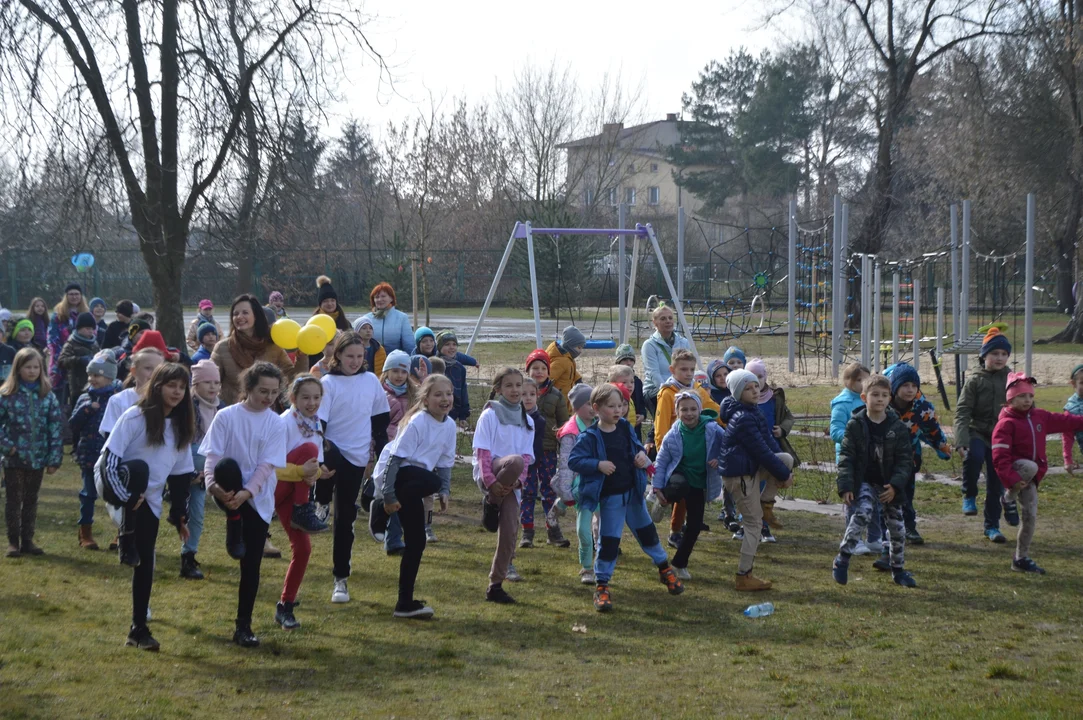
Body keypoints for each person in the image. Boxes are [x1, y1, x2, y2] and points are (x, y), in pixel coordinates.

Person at [95, 363, 194, 651]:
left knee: (147, 560)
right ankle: (126, 537)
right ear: (158, 386)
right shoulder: (134, 416)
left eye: (182, 387)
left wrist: (179, 515)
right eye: (171, 385)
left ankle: (138, 629)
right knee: (138, 469)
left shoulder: (181, 425)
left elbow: (180, 476)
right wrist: (125, 497)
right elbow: (109, 461)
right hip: (118, 483)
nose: (177, 391)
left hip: (147, 496)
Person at [569, 384, 685, 612]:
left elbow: (635, 447)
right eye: (611, 406)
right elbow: (574, 460)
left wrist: (641, 455)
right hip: (610, 499)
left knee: (648, 533)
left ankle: (664, 569)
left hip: (633, 496)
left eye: (620, 405)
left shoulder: (624, 426)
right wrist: (597, 465)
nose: (617, 410)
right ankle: (602, 586)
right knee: (609, 541)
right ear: (596, 408)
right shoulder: (589, 437)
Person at [201, 362, 288, 647]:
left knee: (251, 565)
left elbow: (266, 466)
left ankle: (243, 627)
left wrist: (247, 494)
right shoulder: (226, 417)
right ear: (248, 388)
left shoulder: (276, 422)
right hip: (226, 487)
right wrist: (213, 486)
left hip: (257, 497)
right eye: (263, 390)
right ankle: (233, 523)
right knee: (227, 465)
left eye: (274, 392)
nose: (269, 397)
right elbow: (212, 460)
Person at [369, 374, 457, 619]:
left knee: (417, 542)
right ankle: (378, 508)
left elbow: (445, 462)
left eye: (448, 393)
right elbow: (395, 461)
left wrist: (445, 492)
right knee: (431, 480)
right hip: (396, 477)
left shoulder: (449, 425)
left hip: (414, 486)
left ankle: (404, 603)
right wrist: (386, 496)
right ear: (426, 399)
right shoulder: (418, 421)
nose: (444, 399)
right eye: (438, 394)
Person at [317, 331, 391, 604]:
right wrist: (318, 458)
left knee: (345, 517)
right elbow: (320, 427)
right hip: (332, 453)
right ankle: (320, 499)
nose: (355, 361)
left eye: (360, 357)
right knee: (330, 463)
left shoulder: (371, 380)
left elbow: (380, 420)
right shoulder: (328, 383)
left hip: (358, 457)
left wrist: (381, 453)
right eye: (350, 356)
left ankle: (341, 579)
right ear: (338, 355)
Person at [992, 372, 1083, 575]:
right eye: (1021, 396)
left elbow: (1066, 422)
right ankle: (1008, 498)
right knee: (1030, 466)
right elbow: (999, 458)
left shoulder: (1040, 416)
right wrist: (1012, 482)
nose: (1027, 400)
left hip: (1031, 479)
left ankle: (1020, 558)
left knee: (1030, 517)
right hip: (1016, 474)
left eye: (1030, 396)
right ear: (1010, 399)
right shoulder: (1005, 424)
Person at [832, 373, 917, 589]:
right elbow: (847, 457)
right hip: (864, 482)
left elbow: (906, 460)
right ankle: (843, 558)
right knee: (863, 513)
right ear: (864, 397)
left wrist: (896, 485)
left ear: (890, 398)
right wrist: (846, 486)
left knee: (897, 528)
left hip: (889, 485)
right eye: (875, 395)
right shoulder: (855, 425)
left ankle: (898, 569)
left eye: (884, 395)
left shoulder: (897, 427)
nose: (880, 399)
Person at [717, 369, 794, 591]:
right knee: (753, 524)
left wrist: (784, 470)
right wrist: (783, 476)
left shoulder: (752, 411)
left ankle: (766, 503)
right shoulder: (743, 418)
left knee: (786, 459)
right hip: (739, 475)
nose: (754, 391)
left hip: (749, 468)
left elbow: (770, 444)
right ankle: (744, 575)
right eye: (748, 388)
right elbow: (762, 452)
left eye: (756, 387)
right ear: (738, 393)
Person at [272, 375, 336, 630]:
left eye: (317, 397)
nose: (312, 403)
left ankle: (285, 606)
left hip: (296, 491)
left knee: (303, 551)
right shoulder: (284, 423)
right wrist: (305, 472)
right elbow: (272, 466)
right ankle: (302, 510)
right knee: (309, 451)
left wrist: (317, 474)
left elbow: (313, 468)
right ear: (293, 398)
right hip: (275, 487)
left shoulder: (315, 424)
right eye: (305, 397)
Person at [473, 367, 535, 604]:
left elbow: (527, 457)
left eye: (518, 385)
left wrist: (518, 482)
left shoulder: (527, 421)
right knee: (515, 460)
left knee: (509, 532)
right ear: (498, 389)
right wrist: (491, 484)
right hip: (493, 473)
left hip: (511, 483)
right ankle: (491, 501)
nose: (515, 390)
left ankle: (495, 585)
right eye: (509, 386)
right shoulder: (490, 415)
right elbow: (482, 452)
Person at [653, 391, 724, 581]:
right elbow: (661, 461)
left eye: (693, 409)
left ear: (700, 410)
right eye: (684, 409)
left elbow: (728, 447)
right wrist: (657, 487)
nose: (689, 413)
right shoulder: (674, 433)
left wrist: (720, 459)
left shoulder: (713, 429)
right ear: (677, 412)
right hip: (679, 474)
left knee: (694, 527)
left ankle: (679, 563)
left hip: (699, 482)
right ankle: (662, 501)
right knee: (680, 486)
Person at [0, 348, 63, 557]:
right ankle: (13, 541)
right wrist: (8, 447)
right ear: (18, 369)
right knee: (13, 499)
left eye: (36, 367)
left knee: (30, 499)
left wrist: (54, 457)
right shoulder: (6, 395)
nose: (33, 371)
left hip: (38, 458)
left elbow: (55, 427)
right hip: (14, 459)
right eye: (28, 367)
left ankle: (28, 540)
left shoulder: (47, 396)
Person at [653, 348, 719, 549]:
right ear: (672, 370)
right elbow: (661, 425)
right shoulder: (667, 393)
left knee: (690, 494)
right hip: (674, 450)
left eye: (691, 369)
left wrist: (729, 416)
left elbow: (714, 409)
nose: (688, 374)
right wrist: (661, 449)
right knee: (680, 489)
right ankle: (669, 516)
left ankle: (681, 529)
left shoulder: (697, 389)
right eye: (683, 369)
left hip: (694, 448)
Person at [953, 327, 1012, 542]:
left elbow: (1024, 405)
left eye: (1004, 354)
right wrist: (961, 440)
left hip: (1002, 437)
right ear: (984, 355)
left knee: (996, 482)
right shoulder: (974, 380)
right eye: (994, 353)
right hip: (977, 431)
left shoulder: (1012, 379)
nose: (999, 358)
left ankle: (992, 526)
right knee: (974, 456)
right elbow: (962, 411)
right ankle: (969, 494)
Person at [885, 363, 951, 548]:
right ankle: (882, 529)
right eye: (905, 385)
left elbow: (933, 430)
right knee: (884, 493)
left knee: (906, 493)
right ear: (895, 386)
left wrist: (942, 447)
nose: (910, 390)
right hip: (883, 458)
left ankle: (909, 527)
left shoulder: (922, 407)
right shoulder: (883, 402)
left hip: (909, 458)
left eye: (914, 386)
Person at [69, 351, 120, 551]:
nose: (92, 379)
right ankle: (85, 533)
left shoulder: (117, 398)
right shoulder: (85, 398)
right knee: (88, 494)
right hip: (89, 455)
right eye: (90, 375)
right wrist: (87, 409)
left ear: (110, 377)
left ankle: (121, 532)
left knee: (117, 496)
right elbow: (73, 425)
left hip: (112, 456)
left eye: (97, 375)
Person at [521, 349, 570, 548]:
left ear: (549, 372)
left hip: (548, 449)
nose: (539, 372)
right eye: (535, 368)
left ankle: (553, 530)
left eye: (543, 368)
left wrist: (563, 436)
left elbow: (564, 422)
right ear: (528, 370)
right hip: (525, 451)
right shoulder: (520, 392)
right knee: (528, 491)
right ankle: (527, 532)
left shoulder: (556, 395)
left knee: (550, 490)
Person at [746, 358, 799, 543]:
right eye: (752, 377)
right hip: (750, 452)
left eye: (760, 376)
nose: (757, 381)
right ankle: (748, 525)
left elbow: (789, 417)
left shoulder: (773, 398)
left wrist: (782, 429)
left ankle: (764, 527)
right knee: (750, 489)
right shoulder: (743, 398)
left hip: (771, 448)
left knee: (767, 487)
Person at [211, 294, 296, 406]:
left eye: (245, 313)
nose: (239, 317)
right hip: (232, 414)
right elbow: (210, 381)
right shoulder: (222, 348)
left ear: (256, 316)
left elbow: (292, 378)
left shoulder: (273, 346)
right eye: (235, 314)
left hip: (266, 413)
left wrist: (302, 356)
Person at [829, 362, 877, 554]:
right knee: (853, 499)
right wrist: (856, 439)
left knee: (874, 498)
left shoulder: (869, 400)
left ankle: (874, 537)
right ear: (849, 381)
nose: (865, 382)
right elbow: (835, 431)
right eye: (860, 379)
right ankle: (853, 539)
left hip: (870, 458)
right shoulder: (843, 403)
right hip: (850, 459)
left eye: (867, 378)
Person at [551, 384, 596, 583]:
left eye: (594, 402)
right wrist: (567, 492)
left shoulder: (602, 424)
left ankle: (598, 565)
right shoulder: (570, 433)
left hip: (602, 483)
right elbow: (566, 465)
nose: (593, 407)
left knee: (605, 529)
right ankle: (586, 568)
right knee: (583, 530)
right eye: (587, 403)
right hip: (581, 487)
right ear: (576, 408)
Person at [379, 349, 414, 555]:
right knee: (391, 493)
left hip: (409, 451)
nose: (399, 376)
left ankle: (395, 539)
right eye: (395, 371)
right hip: (387, 450)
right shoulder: (379, 394)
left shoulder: (414, 394)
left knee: (405, 494)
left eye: (403, 371)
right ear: (386, 372)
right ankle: (392, 538)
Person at [640, 303, 693, 417]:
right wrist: (669, 391)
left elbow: (689, 366)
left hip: (680, 387)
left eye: (670, 318)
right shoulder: (649, 345)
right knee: (665, 419)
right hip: (656, 389)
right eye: (663, 318)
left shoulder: (683, 342)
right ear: (655, 323)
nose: (668, 321)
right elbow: (653, 373)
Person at [101, 348, 165, 437]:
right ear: (134, 371)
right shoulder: (118, 400)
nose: (154, 374)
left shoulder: (166, 400)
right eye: (148, 368)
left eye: (158, 369)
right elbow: (110, 435)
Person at [47, 283, 89, 405]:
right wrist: (61, 356)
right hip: (59, 360)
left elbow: (91, 335)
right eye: (71, 294)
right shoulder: (57, 316)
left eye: (77, 294)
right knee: (58, 396)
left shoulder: (85, 314)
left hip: (79, 360)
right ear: (66, 296)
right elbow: (52, 338)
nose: (74, 297)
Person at [360, 282, 415, 354]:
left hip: (395, 361)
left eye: (383, 296)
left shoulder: (402, 318)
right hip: (371, 360)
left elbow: (409, 345)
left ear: (391, 298)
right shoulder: (366, 319)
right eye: (377, 297)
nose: (380, 299)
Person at [58, 312, 101, 396]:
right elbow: (61, 361)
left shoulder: (94, 343)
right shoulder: (71, 343)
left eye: (92, 329)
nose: (90, 331)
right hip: (77, 386)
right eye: (87, 328)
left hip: (93, 382)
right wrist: (79, 360)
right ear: (79, 329)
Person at [436, 331, 471, 428]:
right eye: (447, 344)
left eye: (454, 344)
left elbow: (463, 391)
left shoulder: (460, 368)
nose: (451, 347)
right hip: (435, 411)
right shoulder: (434, 364)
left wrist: (463, 416)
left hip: (453, 413)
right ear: (439, 347)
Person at [546, 326, 585, 410]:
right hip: (559, 402)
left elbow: (570, 370)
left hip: (564, 400)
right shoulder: (561, 361)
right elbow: (549, 378)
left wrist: (577, 378)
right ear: (570, 345)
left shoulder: (567, 358)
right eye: (579, 347)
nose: (580, 351)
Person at [614, 344, 646, 437]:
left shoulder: (637, 382)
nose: (628, 363)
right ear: (618, 363)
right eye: (624, 360)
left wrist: (643, 415)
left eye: (631, 360)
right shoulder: (612, 383)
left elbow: (641, 403)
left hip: (635, 427)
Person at [415, 326, 479, 368]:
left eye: (431, 341)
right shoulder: (414, 359)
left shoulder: (439, 353)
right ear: (418, 344)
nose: (428, 344)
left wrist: (473, 361)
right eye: (424, 341)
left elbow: (460, 356)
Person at [1062, 364, 1083, 473]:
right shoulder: (1071, 409)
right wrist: (1068, 459)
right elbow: (1067, 437)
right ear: (1073, 384)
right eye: (1082, 383)